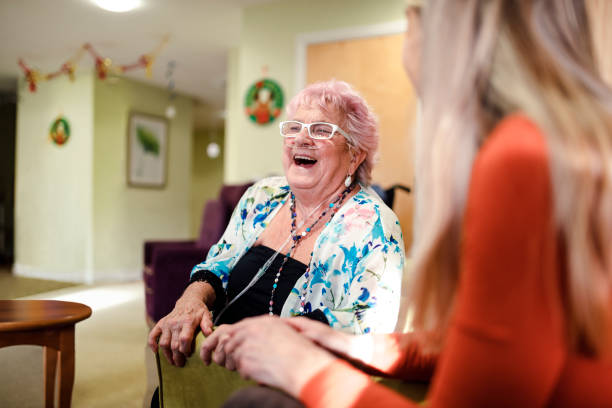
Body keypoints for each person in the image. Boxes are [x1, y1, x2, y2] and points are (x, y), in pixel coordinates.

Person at [200, 0, 612, 406]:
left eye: (417, 12)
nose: (410, 25)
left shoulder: (519, 159)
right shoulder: (548, 146)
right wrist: (346, 345)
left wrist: (301, 367)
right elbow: (461, 347)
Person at [148, 79, 405, 367]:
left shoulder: (375, 224)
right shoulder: (263, 195)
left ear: (355, 156)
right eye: (294, 127)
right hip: (215, 363)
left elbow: (368, 325)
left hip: (287, 379)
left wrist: (276, 333)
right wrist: (191, 299)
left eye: (321, 130)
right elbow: (219, 262)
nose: (301, 139)